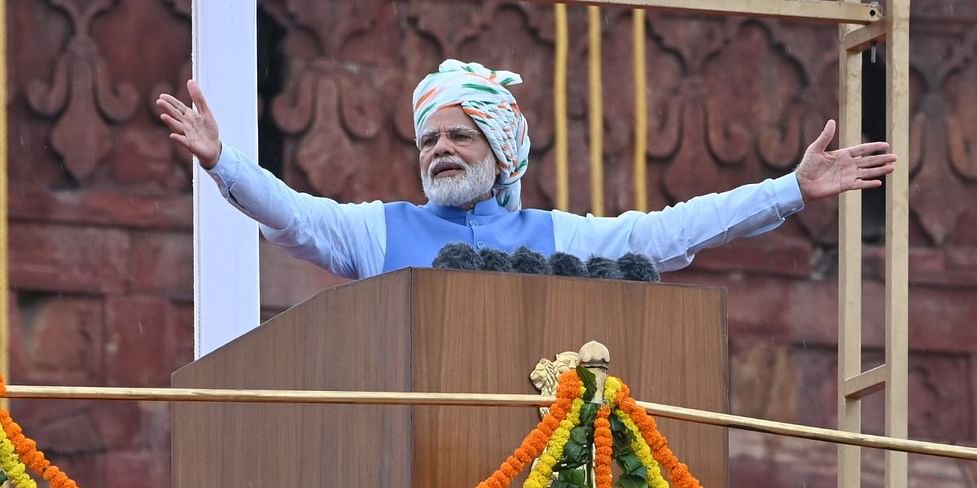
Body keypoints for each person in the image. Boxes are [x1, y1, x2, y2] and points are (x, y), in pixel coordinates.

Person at [156, 59, 896, 280]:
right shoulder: (376, 232)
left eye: (460, 136)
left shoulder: (557, 235)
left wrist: (789, 190)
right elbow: (290, 212)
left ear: (503, 150)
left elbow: (671, 233)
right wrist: (224, 162)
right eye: (428, 141)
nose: (439, 150)